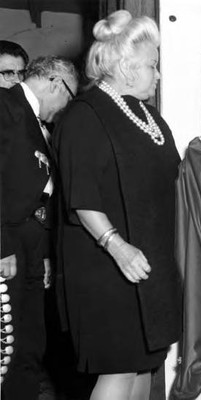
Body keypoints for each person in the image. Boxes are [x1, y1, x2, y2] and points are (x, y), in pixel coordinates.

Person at [53, 10, 182, 400]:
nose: (158, 75)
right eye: (152, 66)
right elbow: (81, 195)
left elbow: (172, 181)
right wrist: (118, 246)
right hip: (107, 262)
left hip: (149, 262)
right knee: (119, 370)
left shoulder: (150, 118)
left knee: (143, 367)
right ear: (126, 68)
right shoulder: (84, 115)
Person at [0, 55, 78, 400]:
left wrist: (45, 254)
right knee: (6, 344)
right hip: (8, 244)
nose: (66, 108)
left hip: (31, 246)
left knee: (29, 342)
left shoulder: (38, 123)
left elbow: (40, 194)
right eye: (70, 98)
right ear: (55, 84)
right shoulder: (5, 106)